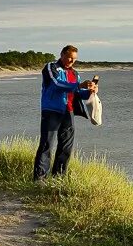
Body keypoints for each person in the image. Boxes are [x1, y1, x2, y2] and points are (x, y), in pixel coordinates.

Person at [32, 45, 97, 182]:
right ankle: (39, 180)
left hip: (69, 112)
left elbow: (78, 94)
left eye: (74, 59)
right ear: (61, 54)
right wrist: (79, 86)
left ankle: (59, 179)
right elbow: (56, 84)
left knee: (66, 147)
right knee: (46, 145)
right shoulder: (51, 67)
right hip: (51, 111)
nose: (71, 61)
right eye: (69, 57)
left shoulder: (75, 74)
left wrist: (90, 91)